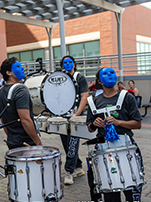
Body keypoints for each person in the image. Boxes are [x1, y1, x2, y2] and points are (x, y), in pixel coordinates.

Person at [86, 67, 144, 202]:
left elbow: (137, 124)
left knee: (132, 190)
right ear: (99, 81)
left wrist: (118, 122)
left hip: (126, 146)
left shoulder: (127, 97)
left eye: (112, 72)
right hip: (104, 150)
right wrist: (95, 124)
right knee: (110, 194)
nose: (110, 75)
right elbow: (89, 128)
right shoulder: (93, 101)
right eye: (105, 74)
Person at [0, 57, 42, 149]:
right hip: (26, 143)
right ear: (9, 73)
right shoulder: (21, 89)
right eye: (17, 67)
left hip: (12, 142)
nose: (22, 68)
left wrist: (12, 138)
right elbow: (25, 120)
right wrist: (38, 142)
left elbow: (3, 121)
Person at [60, 55, 88, 185]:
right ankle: (78, 166)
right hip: (63, 115)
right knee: (67, 143)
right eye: (65, 62)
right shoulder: (60, 78)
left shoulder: (79, 77)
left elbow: (84, 97)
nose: (68, 64)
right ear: (62, 66)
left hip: (75, 116)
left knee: (72, 143)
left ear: (74, 64)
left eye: (70, 62)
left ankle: (69, 172)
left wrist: (77, 114)